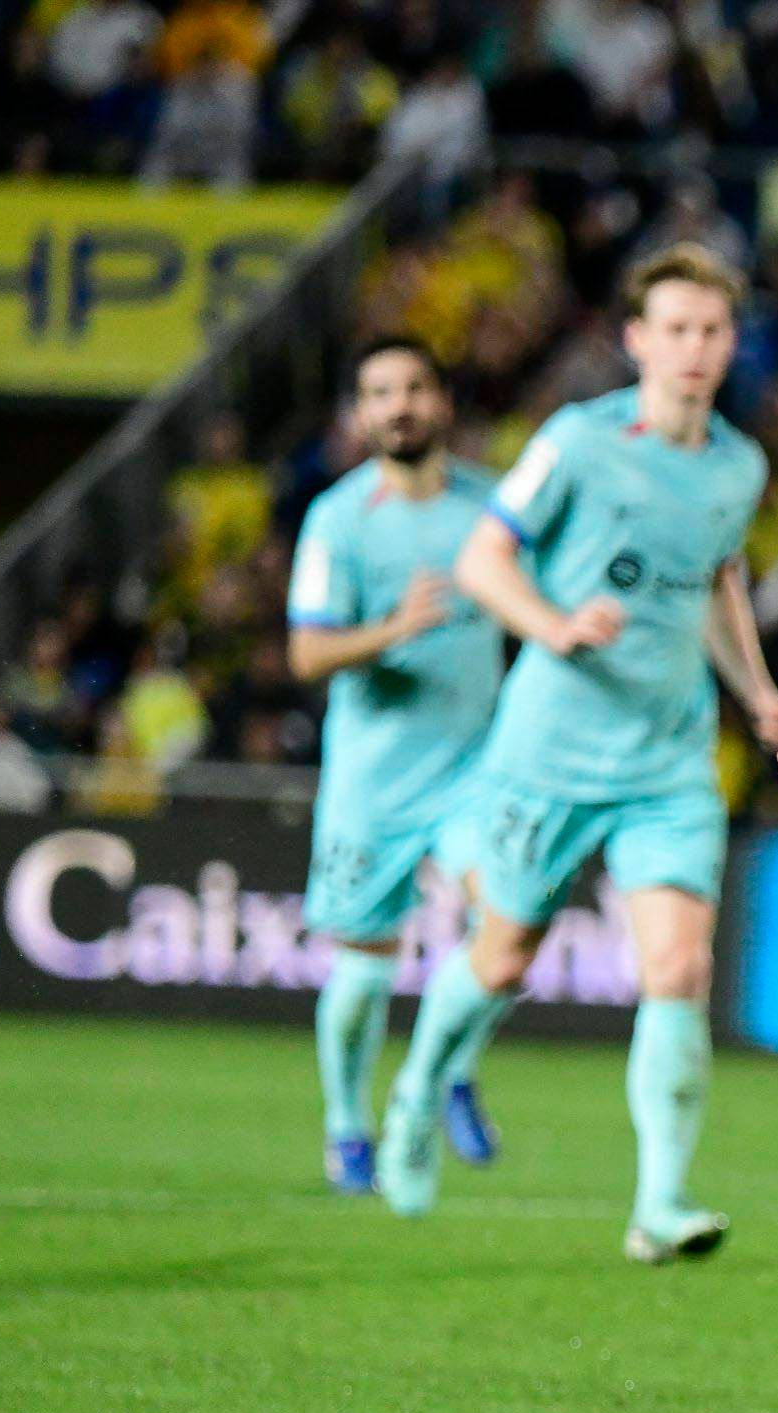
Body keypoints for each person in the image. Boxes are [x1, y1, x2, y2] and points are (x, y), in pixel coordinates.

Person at [374, 245, 778, 1262]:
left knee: (680, 963)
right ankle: (416, 1092)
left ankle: (658, 1204)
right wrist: (554, 625)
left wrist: (758, 692)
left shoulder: (738, 466)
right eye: (678, 329)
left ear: (730, 343)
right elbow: (482, 559)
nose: (696, 348)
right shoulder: (575, 440)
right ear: (638, 340)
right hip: (552, 750)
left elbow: (714, 583)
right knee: (504, 952)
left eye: (712, 330)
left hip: (667, 757)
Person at [287, 336, 509, 1195]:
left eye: (416, 386)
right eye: (381, 392)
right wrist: (393, 630)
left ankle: (449, 1069)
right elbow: (306, 653)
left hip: (478, 771)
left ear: (443, 400)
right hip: (372, 781)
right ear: (361, 413)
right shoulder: (338, 520)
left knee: (507, 929)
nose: (401, 405)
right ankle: (347, 1125)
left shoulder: (494, 508)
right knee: (362, 973)